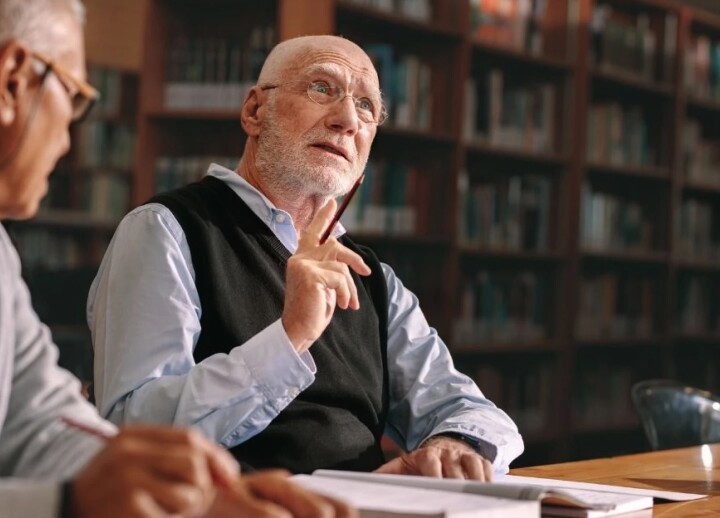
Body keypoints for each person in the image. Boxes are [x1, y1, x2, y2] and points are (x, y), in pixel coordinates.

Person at [0, 1, 355, 517]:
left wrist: (200, 498)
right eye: (75, 96)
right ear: (13, 81)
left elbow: (43, 425)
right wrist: (66, 506)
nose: (69, 136)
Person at [89, 34, 525, 480]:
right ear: (255, 111)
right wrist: (290, 336)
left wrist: (455, 444)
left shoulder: (372, 276)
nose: (347, 120)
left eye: (367, 107)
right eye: (322, 88)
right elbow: (134, 431)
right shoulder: (164, 229)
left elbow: (468, 409)